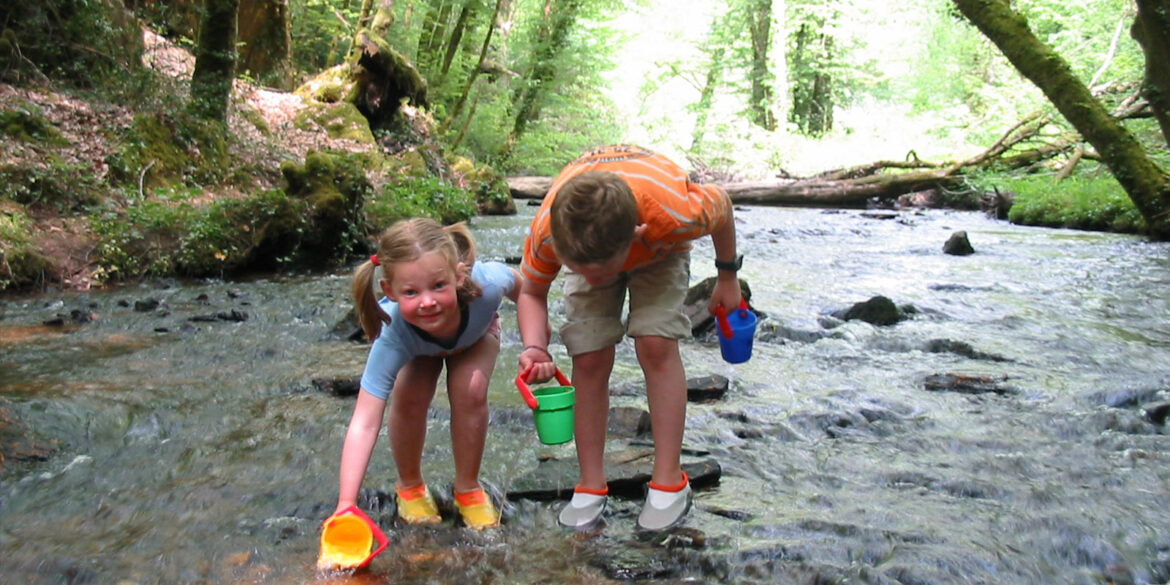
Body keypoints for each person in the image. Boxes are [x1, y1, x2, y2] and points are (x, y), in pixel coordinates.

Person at [516, 145, 742, 531]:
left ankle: (669, 480)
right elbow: (531, 292)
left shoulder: (673, 215)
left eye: (600, 272)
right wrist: (535, 347)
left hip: (661, 251)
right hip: (595, 236)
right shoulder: (549, 233)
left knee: (655, 343)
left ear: (636, 234)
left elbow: (722, 207)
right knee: (588, 356)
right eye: (579, 270)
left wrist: (727, 276)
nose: (592, 280)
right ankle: (590, 484)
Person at [330, 217, 522, 531]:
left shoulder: (486, 285)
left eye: (438, 286)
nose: (428, 301)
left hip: (473, 335)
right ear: (389, 291)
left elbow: (525, 290)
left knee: (470, 389)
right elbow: (364, 421)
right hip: (419, 345)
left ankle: (468, 488)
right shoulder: (393, 334)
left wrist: (538, 340)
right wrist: (346, 504)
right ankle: (410, 485)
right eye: (411, 292)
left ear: (459, 276)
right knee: (409, 397)